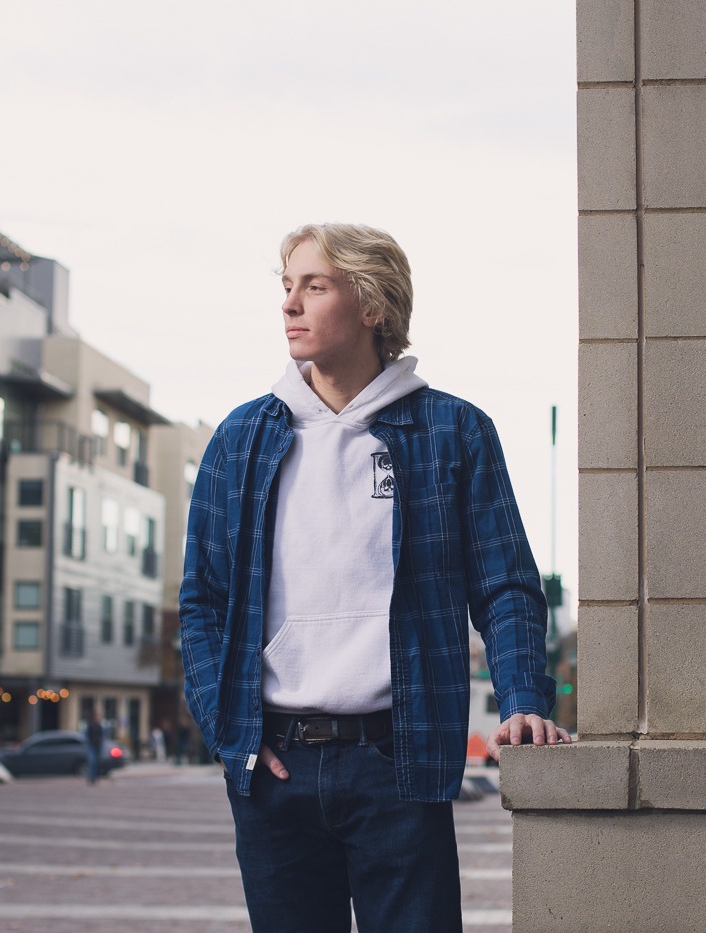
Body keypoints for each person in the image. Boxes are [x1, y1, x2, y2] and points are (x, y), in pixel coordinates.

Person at [180, 222, 568, 932]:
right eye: (287, 286)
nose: (290, 304)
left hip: (399, 761)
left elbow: (507, 585)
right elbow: (201, 602)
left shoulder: (454, 431)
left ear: (372, 306)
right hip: (276, 768)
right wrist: (227, 729)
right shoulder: (241, 440)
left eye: (314, 286)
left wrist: (524, 697)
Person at [84, 709, 104, 785]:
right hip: (91, 746)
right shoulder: (90, 726)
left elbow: (102, 736)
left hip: (97, 746)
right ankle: (90, 777)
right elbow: (87, 737)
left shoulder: (99, 726)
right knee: (91, 762)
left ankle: (95, 778)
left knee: (96, 763)